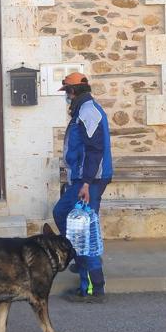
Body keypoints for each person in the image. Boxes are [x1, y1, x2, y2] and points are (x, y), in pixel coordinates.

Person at [53, 72, 113, 303]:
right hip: (83, 178)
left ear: (73, 91)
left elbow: (95, 150)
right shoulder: (82, 109)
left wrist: (86, 182)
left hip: (90, 180)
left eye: (66, 92)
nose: (66, 97)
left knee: (82, 229)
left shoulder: (88, 111)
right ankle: (81, 262)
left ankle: (92, 288)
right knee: (69, 219)